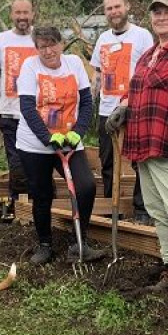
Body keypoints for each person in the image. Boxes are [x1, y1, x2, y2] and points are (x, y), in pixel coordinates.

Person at [106, 0, 168, 316]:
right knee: (158, 210)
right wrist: (124, 105)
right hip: (144, 144)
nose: (162, 17)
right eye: (157, 12)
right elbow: (140, 90)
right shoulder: (150, 53)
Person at [16, 26, 106, 265]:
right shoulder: (30, 67)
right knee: (42, 193)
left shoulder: (74, 63)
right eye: (42, 46)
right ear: (36, 49)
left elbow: (86, 103)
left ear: (60, 44)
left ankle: (80, 243)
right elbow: (27, 107)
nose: (48, 51)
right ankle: (45, 244)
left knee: (86, 186)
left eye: (52, 44)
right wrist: (47, 138)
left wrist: (77, 133)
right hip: (34, 144)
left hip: (69, 141)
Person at [89, 0, 154, 224]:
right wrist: (90, 101)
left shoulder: (142, 36)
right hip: (107, 110)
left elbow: (151, 70)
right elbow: (97, 73)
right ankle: (110, 204)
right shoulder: (103, 39)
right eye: (109, 8)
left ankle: (141, 209)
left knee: (140, 161)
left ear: (126, 7)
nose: (114, 12)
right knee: (107, 160)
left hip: (135, 109)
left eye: (117, 6)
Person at [0, 0, 38, 218]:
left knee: (36, 159)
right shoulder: (1, 40)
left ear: (32, 14)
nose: (22, 17)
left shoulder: (40, 38)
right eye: (18, 13)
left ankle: (38, 202)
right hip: (9, 111)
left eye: (25, 13)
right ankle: (19, 205)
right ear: (11, 15)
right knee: (15, 161)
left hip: (36, 113)